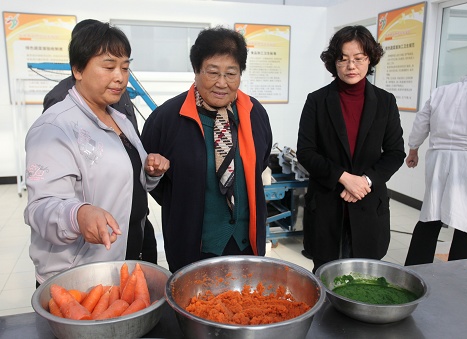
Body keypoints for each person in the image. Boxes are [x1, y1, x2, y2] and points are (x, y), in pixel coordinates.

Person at [24, 22, 169, 285]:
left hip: (126, 256)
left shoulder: (119, 118)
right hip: (82, 274)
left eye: (125, 67)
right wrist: (78, 215)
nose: (120, 77)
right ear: (78, 70)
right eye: (109, 66)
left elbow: (124, 182)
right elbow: (39, 208)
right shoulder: (54, 126)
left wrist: (150, 171)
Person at [141, 26, 273, 273]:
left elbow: (260, 162)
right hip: (193, 246)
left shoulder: (255, 114)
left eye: (231, 73)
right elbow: (152, 178)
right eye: (212, 72)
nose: (221, 83)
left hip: (247, 245)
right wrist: (183, 199)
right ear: (196, 71)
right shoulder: (167, 118)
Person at [296, 25, 405, 273]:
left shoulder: (385, 101)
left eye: (358, 58)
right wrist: (344, 178)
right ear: (334, 62)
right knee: (324, 277)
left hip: (368, 205)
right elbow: (306, 151)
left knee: (365, 280)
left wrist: (364, 181)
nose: (351, 66)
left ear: (370, 59)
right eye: (343, 59)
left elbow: (395, 152)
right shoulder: (317, 100)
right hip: (326, 204)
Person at [404, 58, 467, 266]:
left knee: (430, 214)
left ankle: (414, 269)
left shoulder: (441, 91)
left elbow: (421, 122)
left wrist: (413, 149)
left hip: (439, 158)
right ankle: (458, 275)